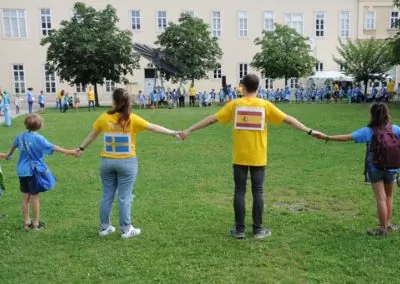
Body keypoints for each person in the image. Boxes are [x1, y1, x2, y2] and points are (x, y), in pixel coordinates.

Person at [179, 74, 324, 239]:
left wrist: (189, 129)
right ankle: (257, 230)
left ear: (242, 86)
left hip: (240, 156)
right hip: (258, 156)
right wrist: (310, 131)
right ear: (258, 87)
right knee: (258, 192)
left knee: (239, 191)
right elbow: (288, 120)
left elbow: (212, 119)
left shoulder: (235, 104)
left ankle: (239, 230)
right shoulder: (265, 105)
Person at [76, 88, 182, 238]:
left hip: (107, 161)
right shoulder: (132, 118)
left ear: (113, 100)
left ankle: (104, 228)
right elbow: (153, 127)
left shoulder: (104, 117)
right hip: (127, 162)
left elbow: (92, 135)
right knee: (125, 196)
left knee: (107, 195)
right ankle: (126, 229)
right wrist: (173, 133)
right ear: (128, 102)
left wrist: (81, 148)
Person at [324, 103, 400, 236]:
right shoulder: (395, 129)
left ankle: (382, 229)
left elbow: (347, 137)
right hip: (392, 167)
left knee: (380, 198)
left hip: (375, 167)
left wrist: (327, 137)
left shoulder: (368, 131)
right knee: (389, 196)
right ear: (387, 114)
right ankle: (387, 224)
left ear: (372, 115)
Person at [4, 114, 77, 230]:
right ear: (39, 126)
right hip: (33, 171)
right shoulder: (38, 138)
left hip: (22, 171)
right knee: (34, 197)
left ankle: (26, 223)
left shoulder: (20, 136)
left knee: (25, 198)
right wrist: (70, 151)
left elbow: (11, 150)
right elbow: (53, 147)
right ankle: (36, 223)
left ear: (26, 124)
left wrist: (6, 155)